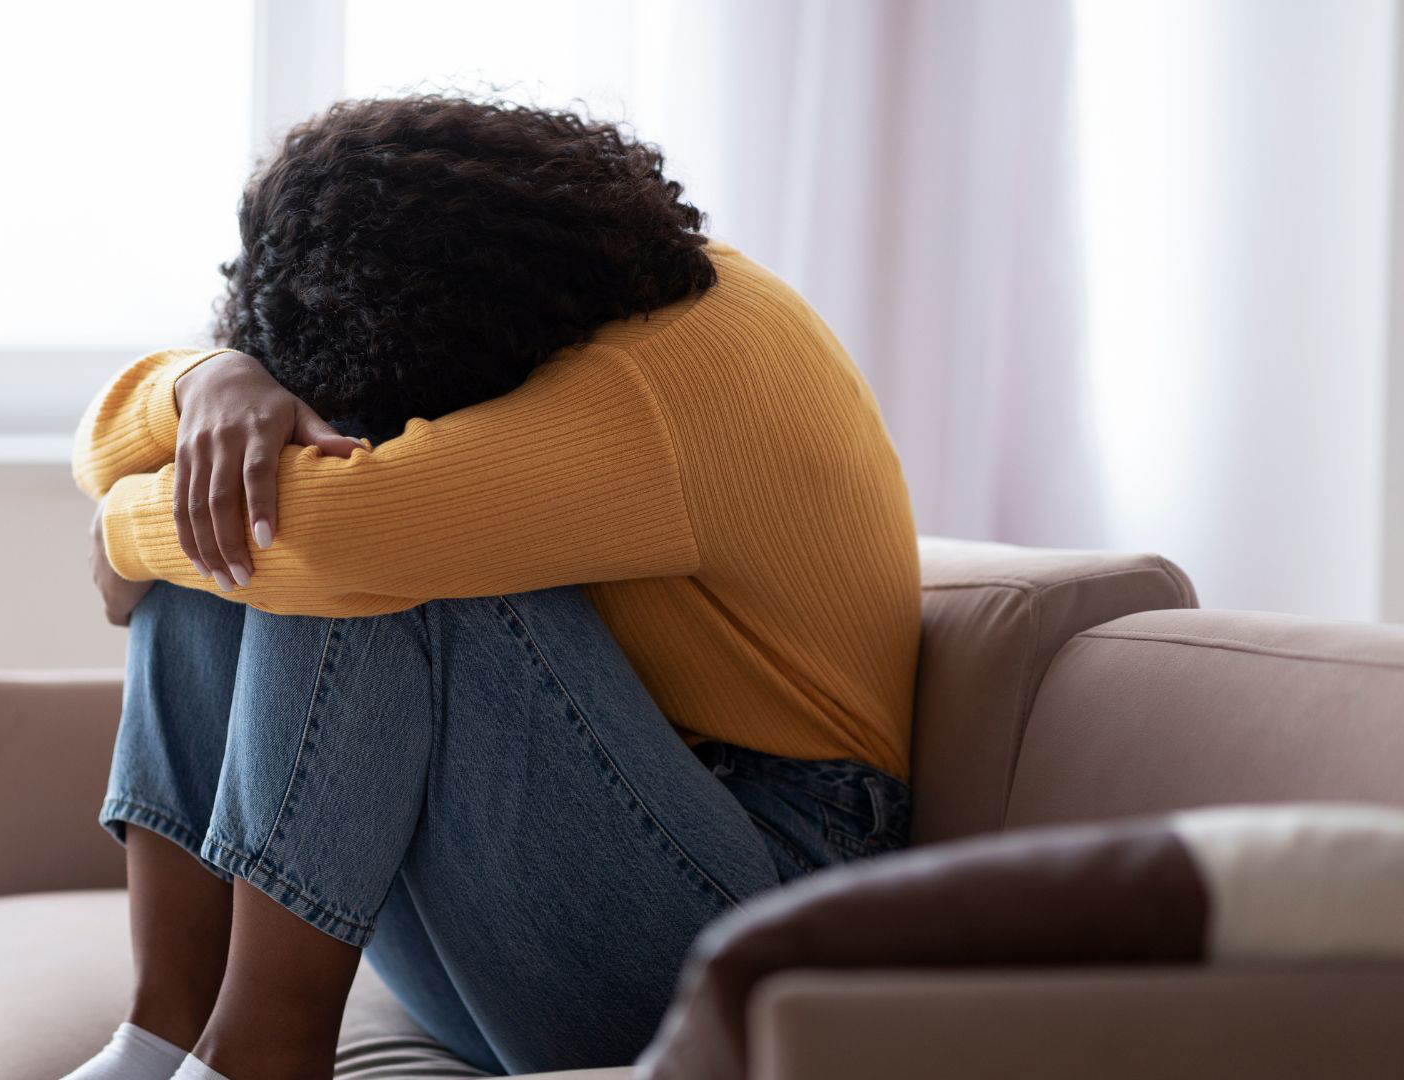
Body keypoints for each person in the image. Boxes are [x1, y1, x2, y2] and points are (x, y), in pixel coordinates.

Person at [65, 96, 919, 1080]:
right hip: (542, 909)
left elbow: (346, 532)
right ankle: (157, 1034)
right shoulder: (565, 299)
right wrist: (210, 381)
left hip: (757, 911)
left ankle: (260, 1053)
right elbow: (111, 439)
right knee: (237, 486)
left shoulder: (666, 376)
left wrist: (123, 530)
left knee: (352, 538)